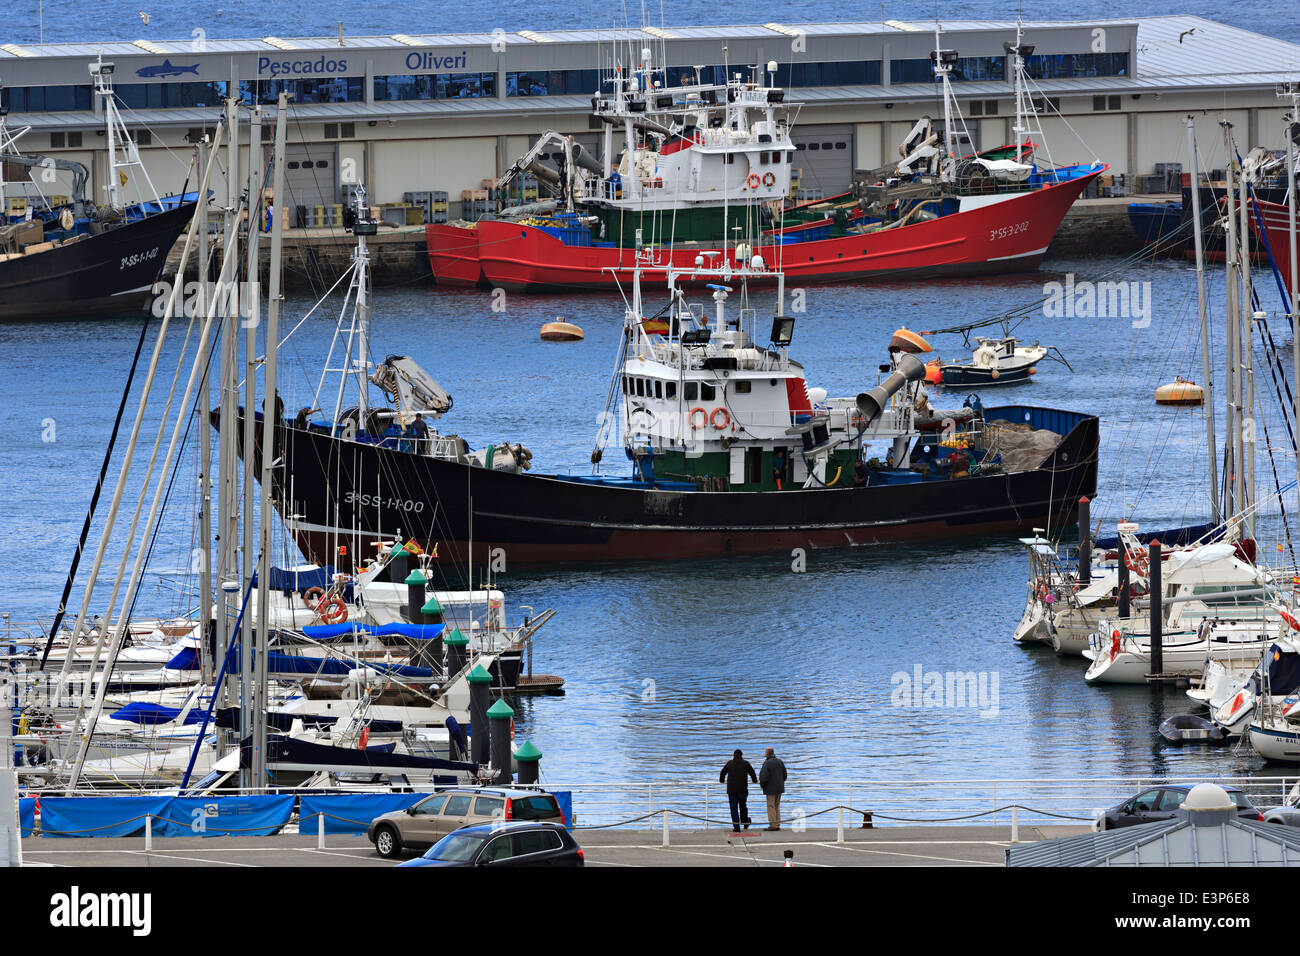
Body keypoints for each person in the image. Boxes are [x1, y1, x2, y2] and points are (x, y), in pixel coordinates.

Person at [719, 749, 757, 832]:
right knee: (743, 806)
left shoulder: (729, 763)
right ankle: (745, 822)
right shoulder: (746, 763)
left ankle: (736, 827)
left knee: (734, 809)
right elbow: (752, 772)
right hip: (743, 789)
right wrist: (754, 780)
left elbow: (722, 772)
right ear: (741, 755)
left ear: (733, 755)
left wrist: (722, 780)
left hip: (731, 790)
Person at [759, 747, 788, 831]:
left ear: (767, 754)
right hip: (779, 788)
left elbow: (764, 777)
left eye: (765, 752)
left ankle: (772, 825)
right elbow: (785, 775)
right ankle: (778, 824)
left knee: (771, 806)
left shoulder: (767, 763)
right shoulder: (780, 761)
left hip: (770, 789)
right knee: (777, 806)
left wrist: (762, 785)